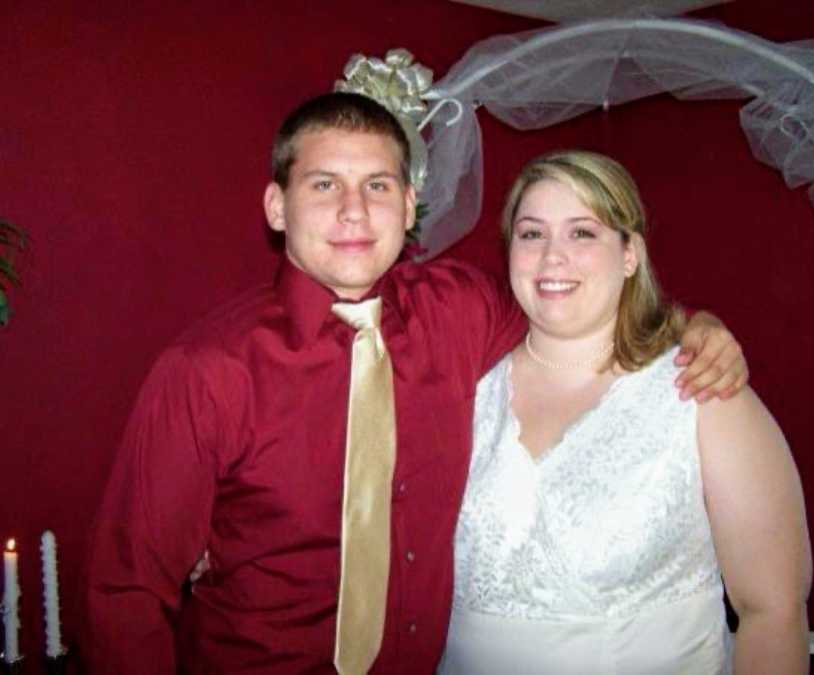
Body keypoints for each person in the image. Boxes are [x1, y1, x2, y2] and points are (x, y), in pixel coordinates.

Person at [82, 93, 747, 674]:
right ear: (276, 206)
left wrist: (693, 326)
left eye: (377, 185)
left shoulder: (459, 309)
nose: (353, 210)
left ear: (407, 205)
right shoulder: (207, 371)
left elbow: (574, 303)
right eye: (323, 185)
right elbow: (125, 593)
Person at [439, 151, 812, 675]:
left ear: (630, 253)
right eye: (531, 234)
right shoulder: (463, 387)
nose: (552, 258)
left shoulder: (701, 388)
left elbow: (772, 610)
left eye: (582, 233)